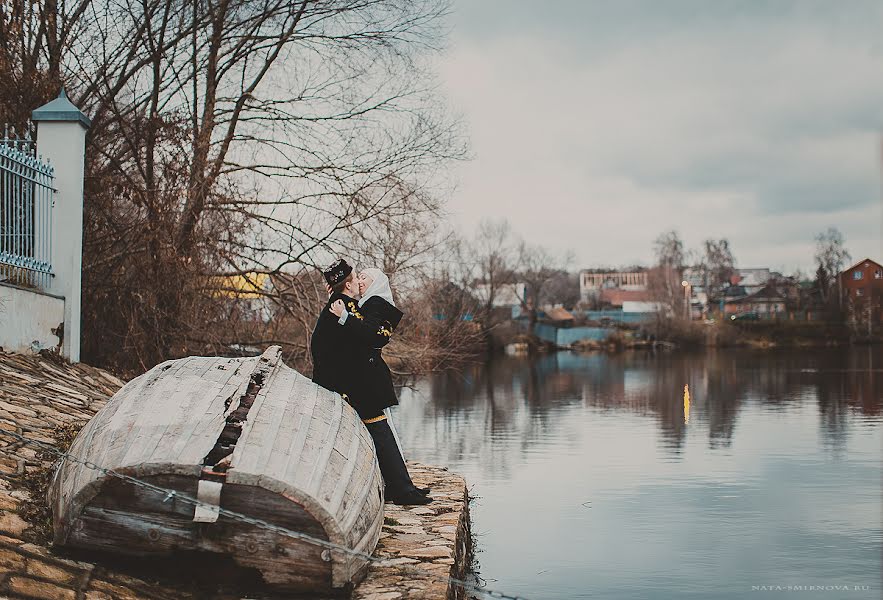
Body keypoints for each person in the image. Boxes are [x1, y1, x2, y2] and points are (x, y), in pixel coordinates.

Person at [311, 260, 430, 505]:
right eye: (356, 277)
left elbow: (363, 339)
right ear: (348, 284)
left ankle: (401, 488)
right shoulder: (343, 306)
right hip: (352, 386)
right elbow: (329, 350)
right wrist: (340, 388)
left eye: (363, 277)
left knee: (382, 433)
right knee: (381, 434)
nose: (359, 282)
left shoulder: (348, 306)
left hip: (356, 384)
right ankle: (401, 491)